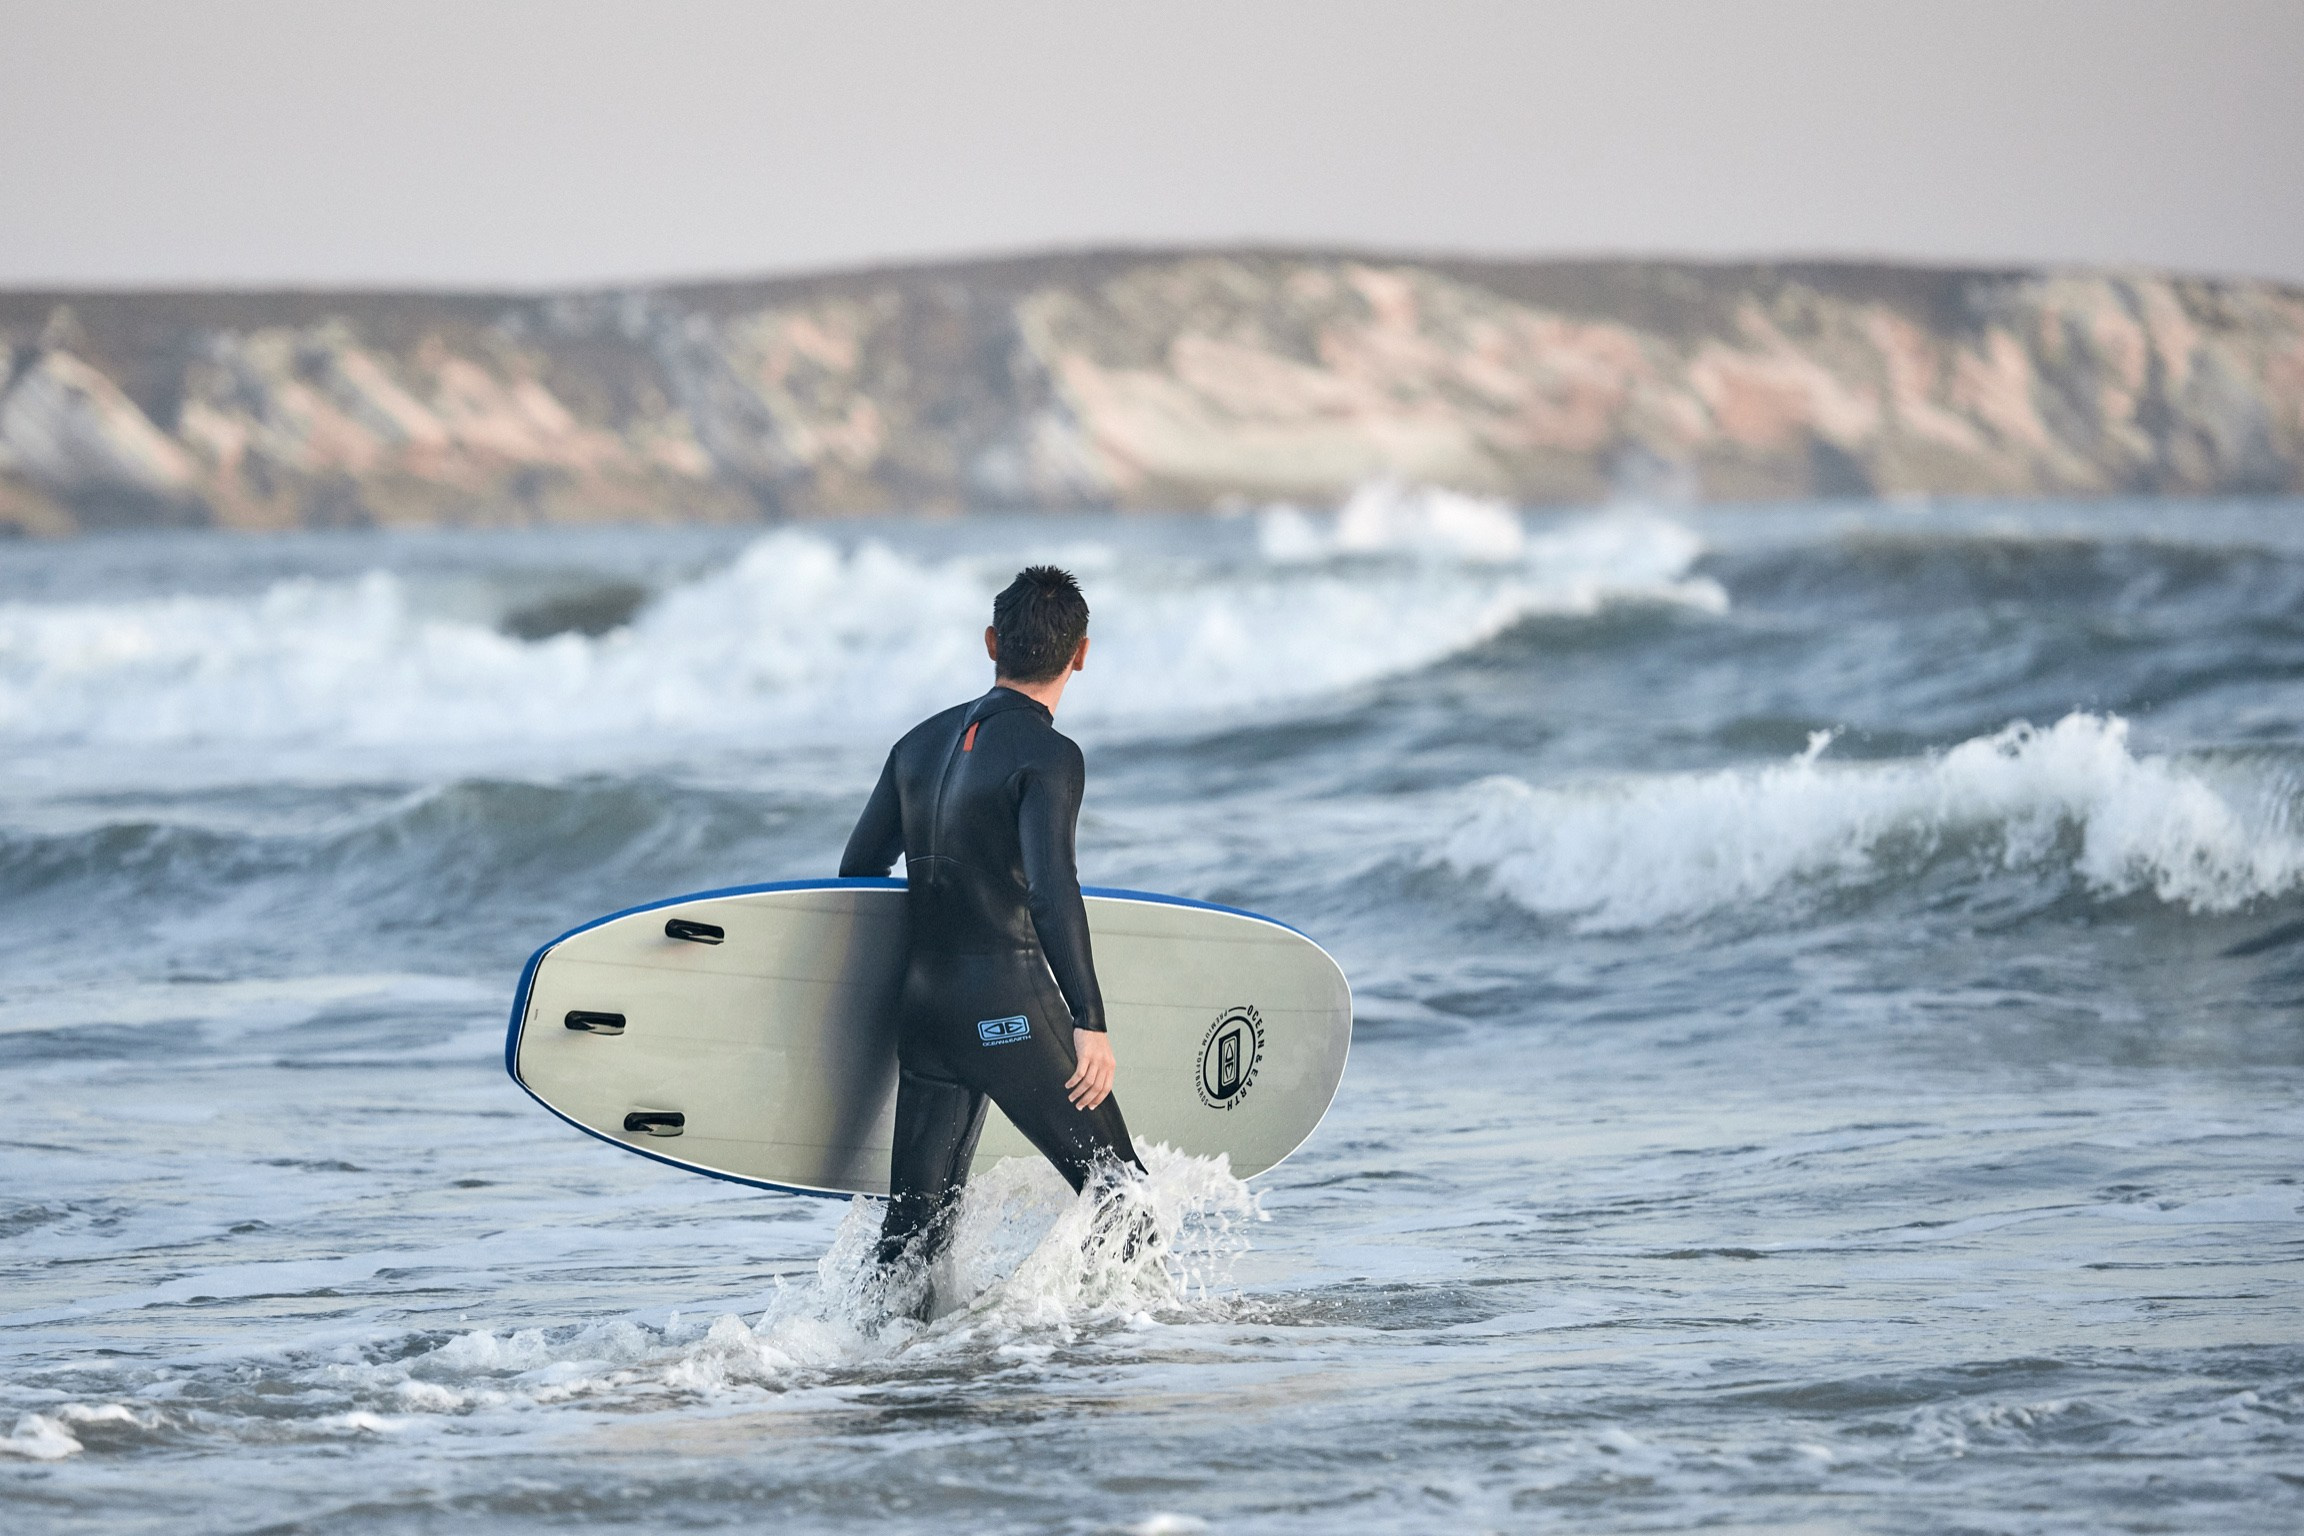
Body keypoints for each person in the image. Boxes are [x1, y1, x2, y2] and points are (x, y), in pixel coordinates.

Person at [839, 565, 1145, 1308]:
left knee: (914, 1239)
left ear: (990, 643)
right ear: (1081, 655)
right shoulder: (1050, 756)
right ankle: (1087, 1360)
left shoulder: (916, 745)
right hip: (1007, 1004)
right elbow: (1050, 890)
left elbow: (858, 871)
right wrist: (1090, 1021)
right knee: (1126, 1201)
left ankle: (874, 1373)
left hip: (924, 1013)